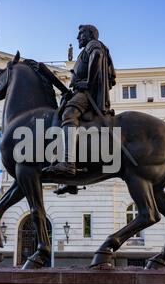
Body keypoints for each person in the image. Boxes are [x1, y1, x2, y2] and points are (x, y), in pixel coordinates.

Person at [44, 24, 116, 179]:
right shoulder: (84, 51)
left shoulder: (93, 44)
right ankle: (69, 183)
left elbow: (96, 55)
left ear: (90, 34)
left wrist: (88, 82)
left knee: (69, 114)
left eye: (81, 34)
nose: (78, 37)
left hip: (86, 93)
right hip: (79, 91)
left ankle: (69, 163)